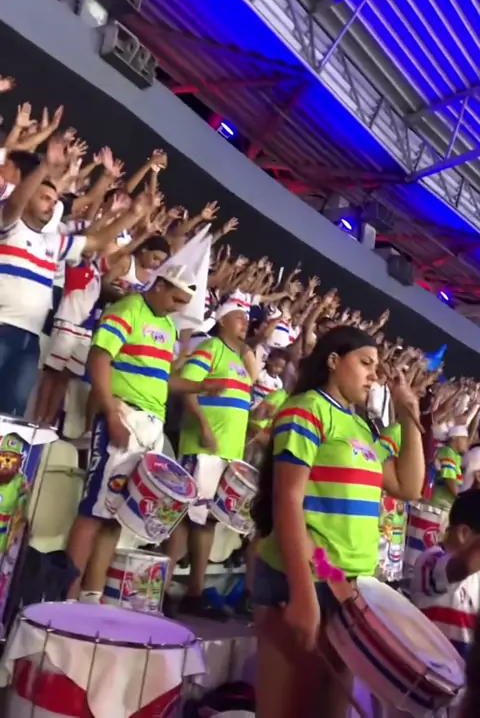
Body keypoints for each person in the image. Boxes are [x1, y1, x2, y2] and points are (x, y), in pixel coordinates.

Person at [251, 326, 425, 718]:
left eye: (376, 367)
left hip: (347, 587)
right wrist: (303, 593)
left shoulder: (361, 427)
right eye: (365, 363)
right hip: (306, 577)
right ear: (333, 361)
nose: (374, 374)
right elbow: (287, 500)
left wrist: (407, 414)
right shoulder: (306, 409)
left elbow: (408, 486)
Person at [65, 263, 222, 601]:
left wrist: (200, 386)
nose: (177, 308)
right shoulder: (127, 309)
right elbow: (99, 359)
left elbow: (161, 379)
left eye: (183, 304)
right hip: (124, 414)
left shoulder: (166, 326)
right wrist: (111, 413)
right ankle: (66, 593)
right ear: (160, 285)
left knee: (116, 514)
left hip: (152, 424)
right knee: (94, 510)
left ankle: (92, 594)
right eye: (176, 299)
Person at [0, 136, 141, 416]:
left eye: (54, 201)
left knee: (10, 416)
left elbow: (95, 242)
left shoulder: (54, 243)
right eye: (44, 198)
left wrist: (133, 215)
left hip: (30, 340)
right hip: (3, 328)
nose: (52, 205)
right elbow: (14, 203)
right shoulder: (9, 226)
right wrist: (46, 167)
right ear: (28, 198)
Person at [164, 300, 252, 619]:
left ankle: (195, 593)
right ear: (222, 320)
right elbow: (188, 387)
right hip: (203, 449)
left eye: (247, 318)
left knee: (207, 520)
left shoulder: (239, 361)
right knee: (185, 517)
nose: (245, 322)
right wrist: (203, 426)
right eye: (239, 317)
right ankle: (160, 590)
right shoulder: (210, 349)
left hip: (227, 453)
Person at [410, 489, 480, 661]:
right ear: (464, 533)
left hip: (463, 674)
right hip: (427, 669)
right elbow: (462, 567)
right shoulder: (430, 561)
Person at [431, 426, 469, 510]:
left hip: (446, 504)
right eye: (464, 438)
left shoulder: (456, 456)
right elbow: (450, 478)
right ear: (454, 438)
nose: (466, 442)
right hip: (439, 504)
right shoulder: (447, 452)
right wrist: (461, 499)